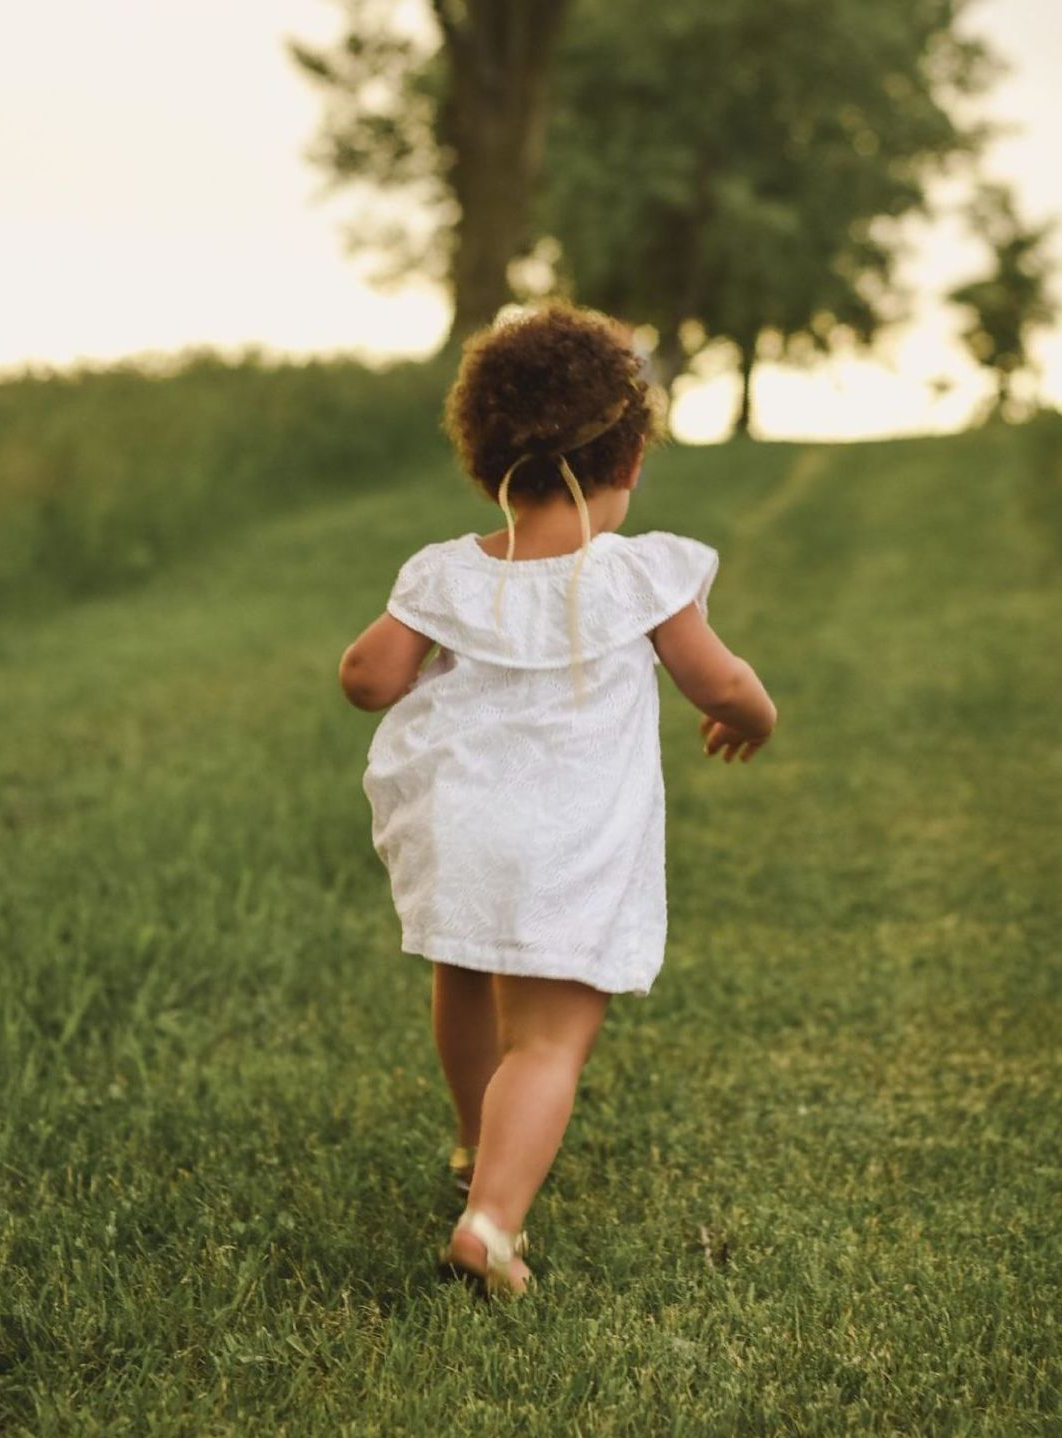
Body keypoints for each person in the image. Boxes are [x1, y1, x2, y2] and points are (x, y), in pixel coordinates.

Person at [339, 301, 777, 1297]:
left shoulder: (443, 575)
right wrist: (755, 717)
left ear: (488, 459)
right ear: (625, 462)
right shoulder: (641, 576)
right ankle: (492, 1220)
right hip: (569, 842)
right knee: (548, 1037)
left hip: (460, 830)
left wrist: (394, 661)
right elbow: (719, 683)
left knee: (463, 978)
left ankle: (470, 1138)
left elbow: (368, 677)